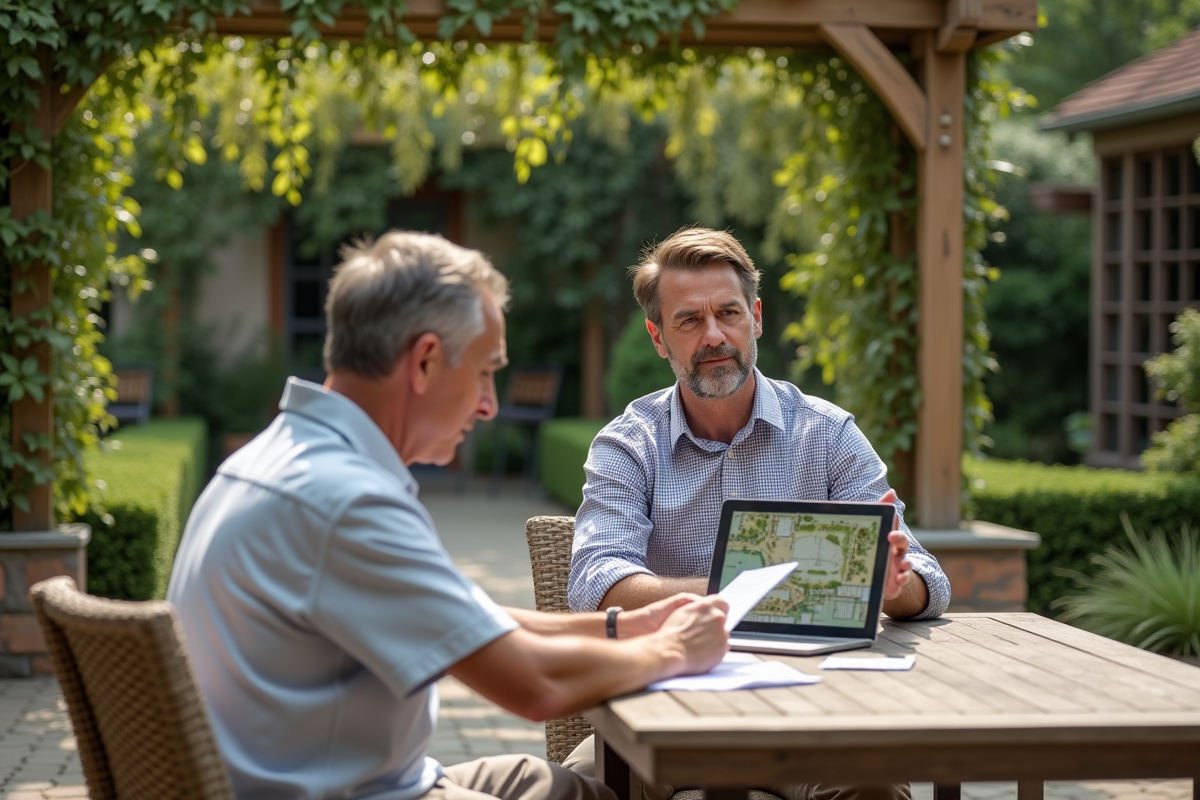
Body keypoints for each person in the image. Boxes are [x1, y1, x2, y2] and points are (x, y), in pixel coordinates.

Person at [167, 231, 730, 800]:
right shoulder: (346, 502)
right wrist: (674, 650)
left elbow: (467, 619)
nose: (489, 404)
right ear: (425, 362)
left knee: (554, 783)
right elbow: (533, 685)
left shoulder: (273, 462)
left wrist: (619, 627)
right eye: (485, 372)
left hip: (337, 777)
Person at [563, 227, 952, 800]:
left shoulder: (828, 434)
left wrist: (890, 588)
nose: (714, 335)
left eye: (728, 313)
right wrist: (761, 587)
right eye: (689, 321)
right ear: (657, 337)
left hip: (808, 713)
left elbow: (929, 582)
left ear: (757, 317)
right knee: (575, 789)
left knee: (875, 787)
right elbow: (596, 584)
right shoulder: (627, 444)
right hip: (664, 705)